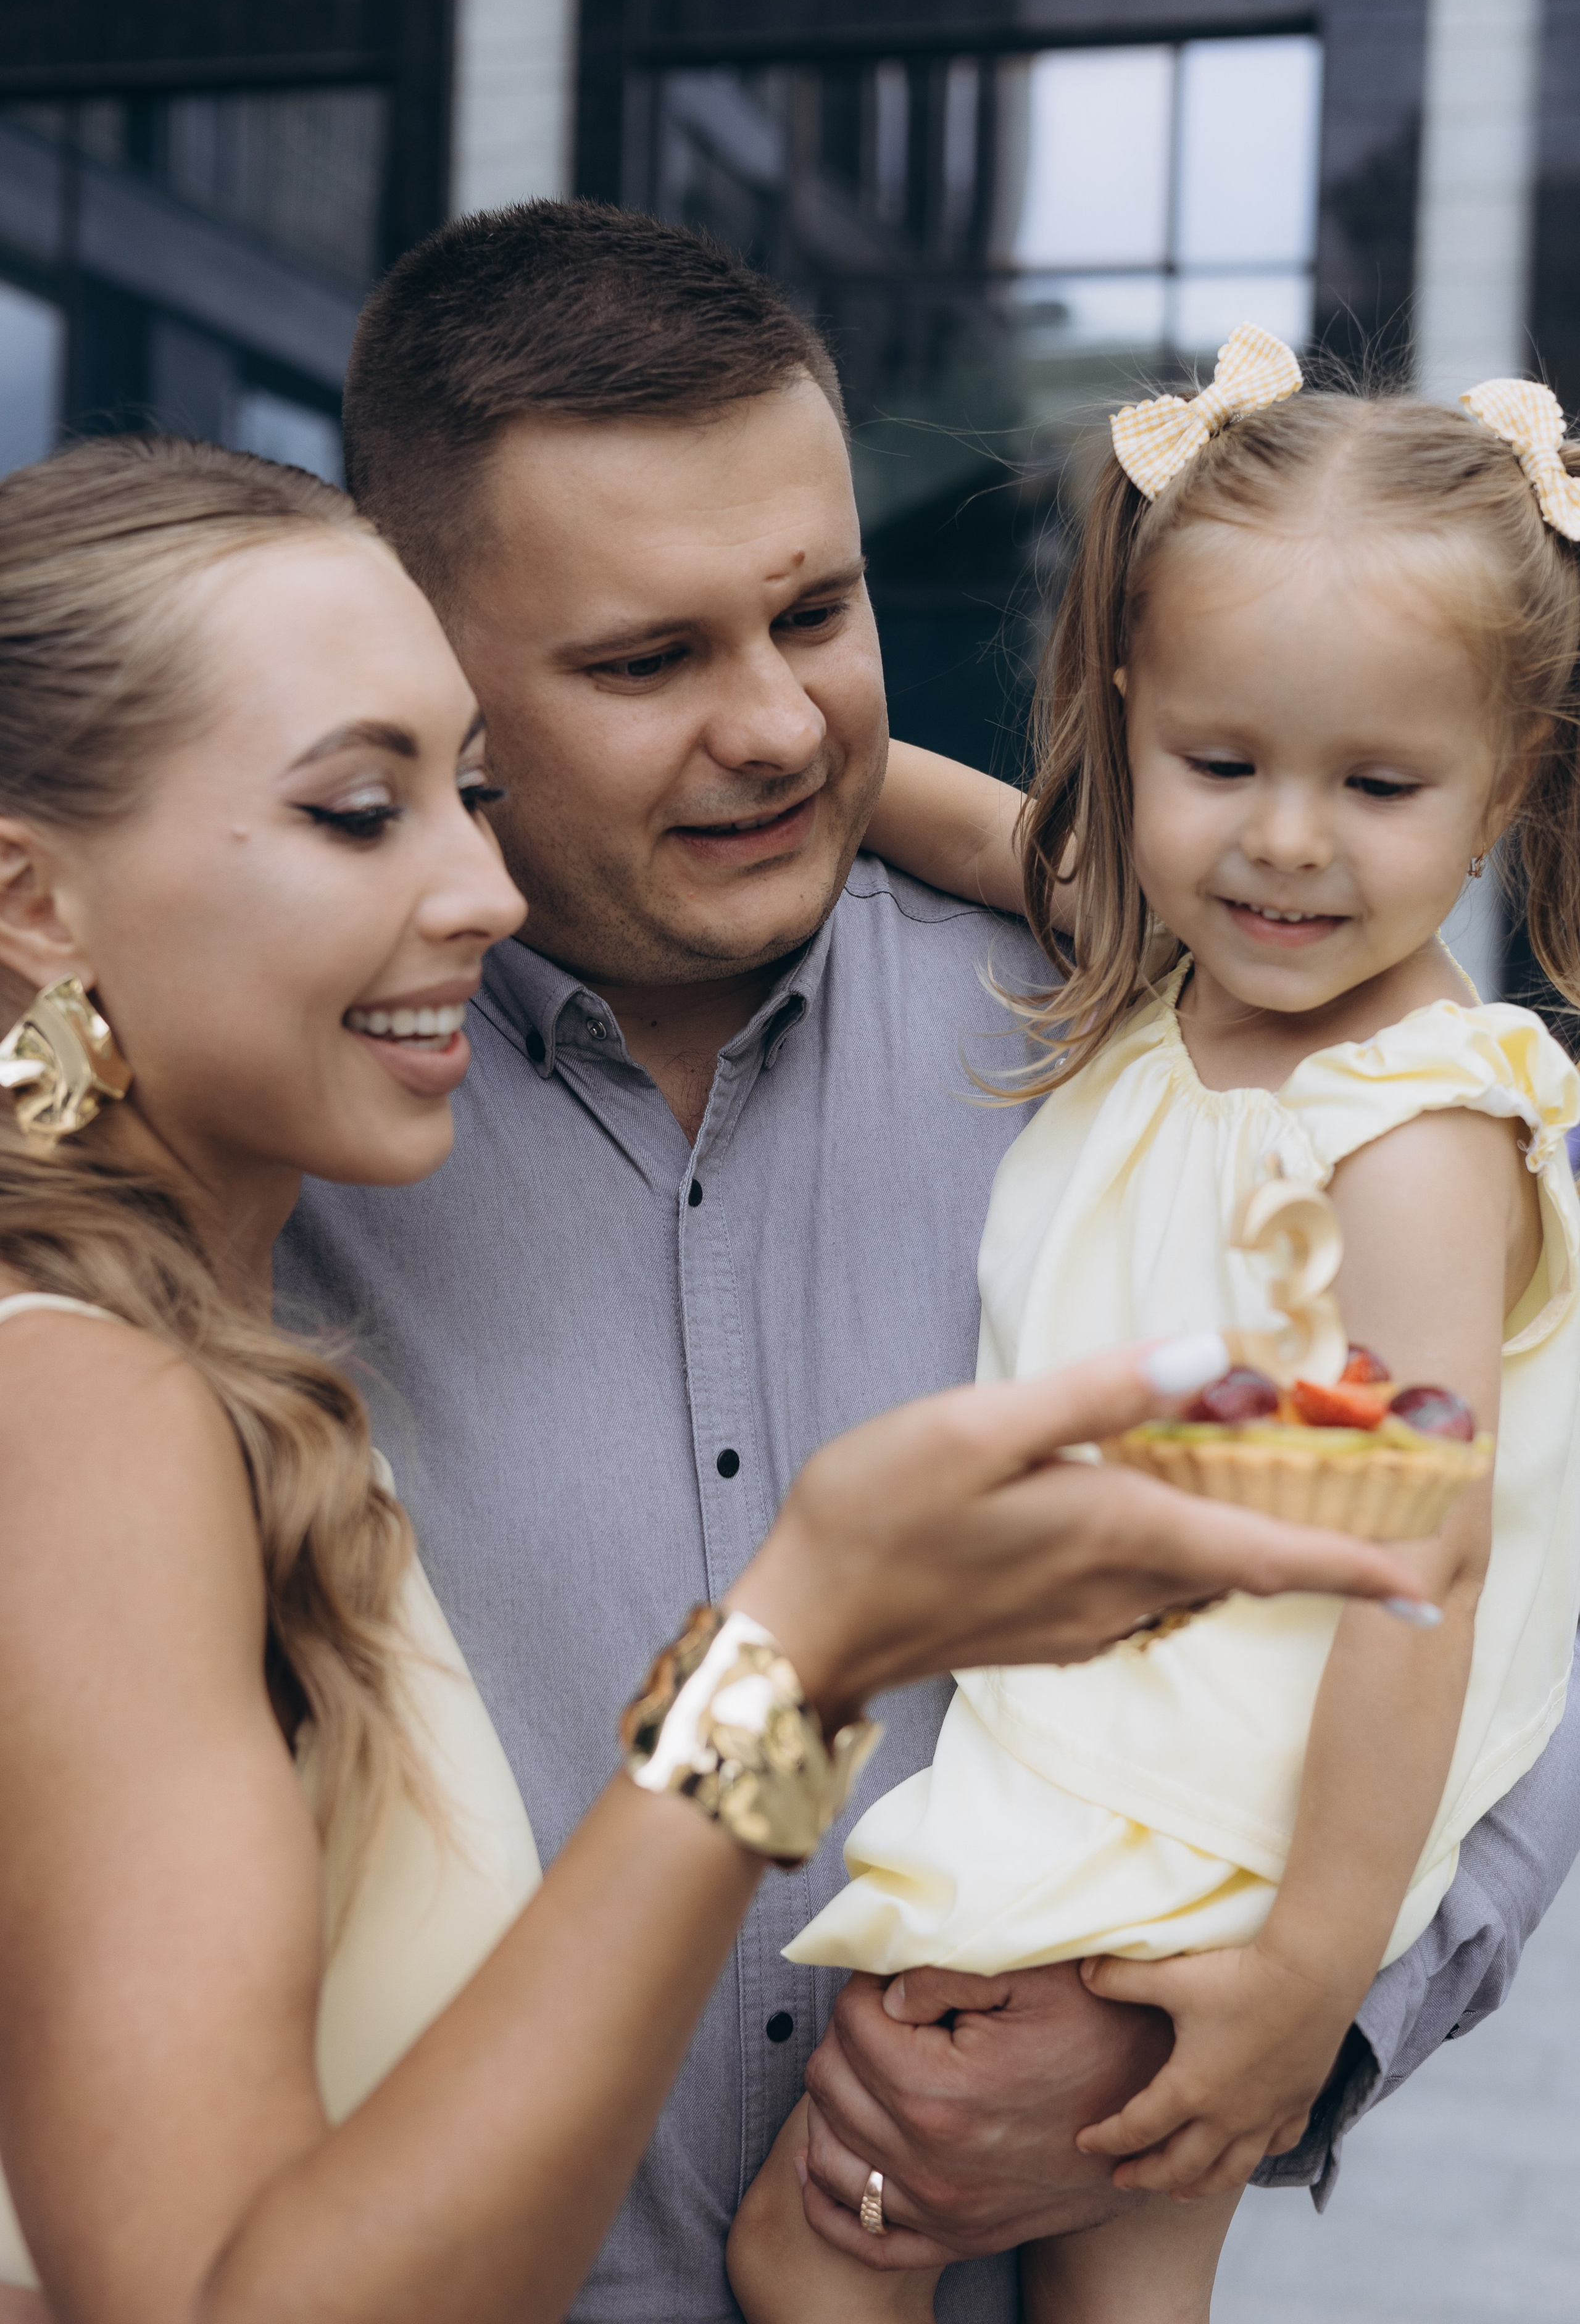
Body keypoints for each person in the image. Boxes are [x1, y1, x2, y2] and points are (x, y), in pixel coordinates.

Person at [277, 205, 1580, 2322]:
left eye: (817, 611)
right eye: (648, 659)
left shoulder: (1148, 1027)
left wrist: (1266, 2042)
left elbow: (1498, 1576)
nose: (785, 729)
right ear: (432, 675)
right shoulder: (275, 1130)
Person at [0, 433, 1421, 2324]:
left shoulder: (1127, 1028)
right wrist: (797, 1648)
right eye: (363, 811)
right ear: (33, 903)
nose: (482, 891)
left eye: (468, 787)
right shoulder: (82, 1408)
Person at [726, 336, 1580, 2323]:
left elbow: (1415, 1562)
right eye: (1223, 766)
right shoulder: (1148, 959)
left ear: (1509, 780)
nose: (1286, 843)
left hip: (1206, 1797)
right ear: (1125, 723)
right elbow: (934, 816)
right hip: (1128, 1756)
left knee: (808, 2248)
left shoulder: (1416, 1126)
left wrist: (1312, 1971)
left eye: (1378, 785)